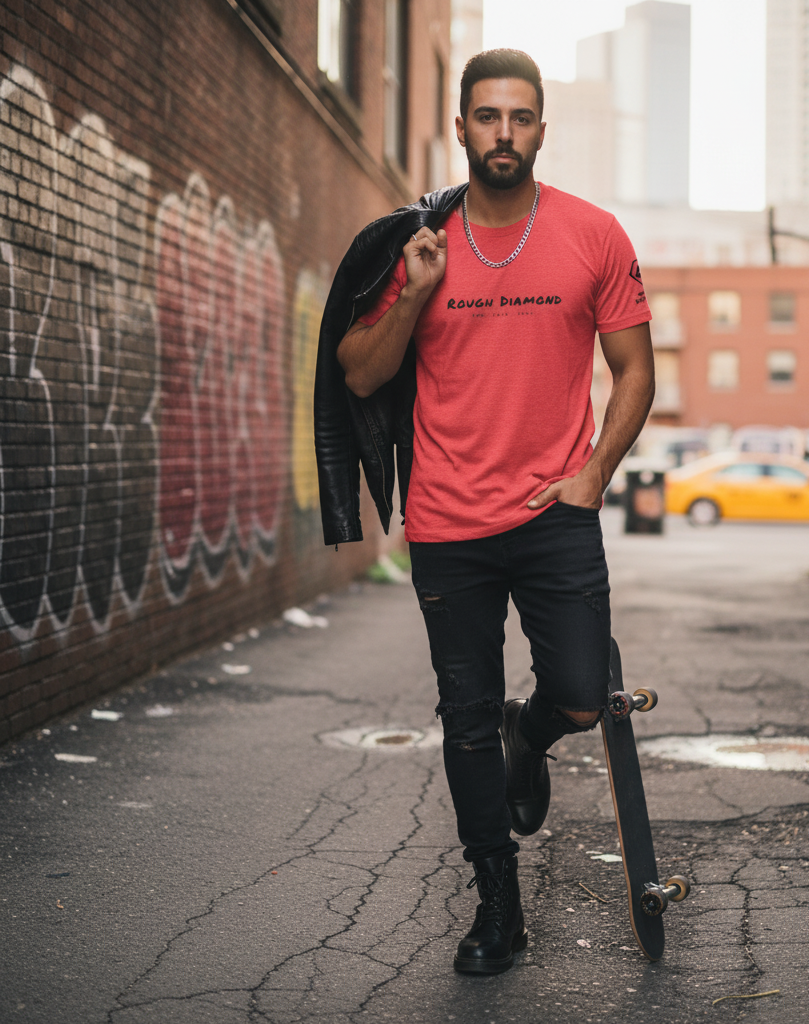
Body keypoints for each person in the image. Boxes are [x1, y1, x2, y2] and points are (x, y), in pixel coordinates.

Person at [335, 49, 654, 974]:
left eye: (519, 117)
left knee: (581, 694)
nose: (502, 133)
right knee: (463, 717)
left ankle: (536, 731)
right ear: (462, 125)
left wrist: (594, 473)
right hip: (447, 522)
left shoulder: (593, 234)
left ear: (540, 130)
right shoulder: (418, 245)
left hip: (554, 510)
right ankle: (496, 905)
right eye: (486, 117)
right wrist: (417, 293)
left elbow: (637, 371)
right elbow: (360, 371)